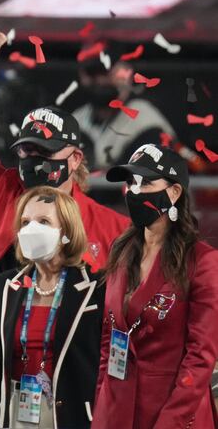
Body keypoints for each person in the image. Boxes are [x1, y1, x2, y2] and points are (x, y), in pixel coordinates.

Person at [0, 25, 129, 372]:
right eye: (27, 151)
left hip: (72, 379)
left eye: (45, 152)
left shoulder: (111, 228)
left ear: (75, 159)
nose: (34, 162)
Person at [0, 186, 103, 428]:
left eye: (43, 221)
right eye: (25, 222)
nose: (31, 229)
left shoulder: (96, 288)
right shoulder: (6, 285)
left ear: (66, 230)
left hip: (70, 415)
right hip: (13, 412)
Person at [92, 144, 218, 429]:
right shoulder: (121, 252)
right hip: (116, 414)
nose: (134, 191)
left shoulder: (203, 262)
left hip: (172, 416)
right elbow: (108, 343)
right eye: (130, 182)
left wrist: (169, 423)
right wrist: (102, 407)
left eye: (146, 182)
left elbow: (200, 359)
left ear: (174, 193)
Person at [73, 44, 177, 170]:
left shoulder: (146, 122)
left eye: (106, 71)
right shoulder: (78, 118)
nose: (100, 80)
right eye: (92, 72)